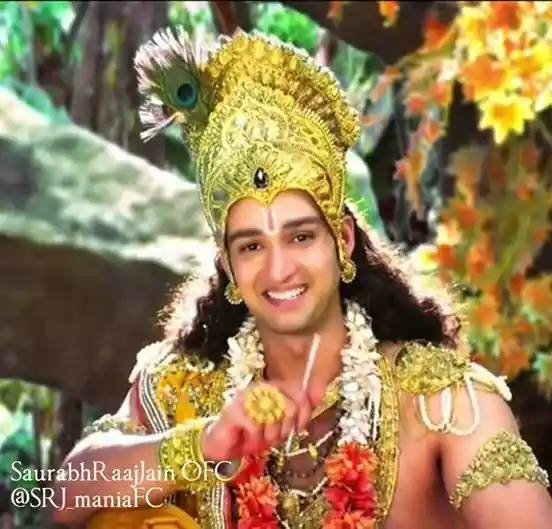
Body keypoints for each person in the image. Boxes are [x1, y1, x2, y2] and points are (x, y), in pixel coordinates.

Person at [52, 27, 552, 529]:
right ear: (228, 266)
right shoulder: (183, 386)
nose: (279, 269)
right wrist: (204, 444)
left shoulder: (436, 397)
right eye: (251, 246)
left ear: (344, 241)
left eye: (301, 237)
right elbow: (66, 494)